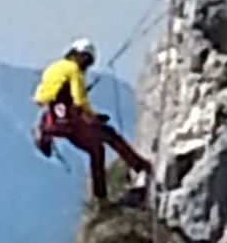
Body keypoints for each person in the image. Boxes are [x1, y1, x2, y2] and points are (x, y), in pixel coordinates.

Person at [32, 37, 150, 204]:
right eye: (86, 61)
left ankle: (101, 199)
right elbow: (79, 100)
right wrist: (93, 117)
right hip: (71, 122)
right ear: (80, 56)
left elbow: (41, 98)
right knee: (107, 137)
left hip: (52, 124)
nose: (86, 67)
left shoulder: (52, 69)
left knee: (95, 148)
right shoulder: (73, 70)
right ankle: (138, 167)